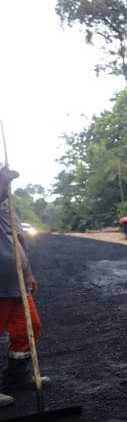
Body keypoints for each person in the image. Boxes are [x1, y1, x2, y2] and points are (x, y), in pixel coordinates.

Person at [0, 166, 49, 407]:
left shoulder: (9, 207)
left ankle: (17, 377)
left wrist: (29, 273)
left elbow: (18, 240)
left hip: (17, 281)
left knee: (29, 327)